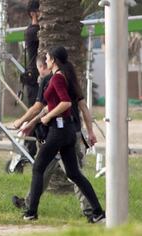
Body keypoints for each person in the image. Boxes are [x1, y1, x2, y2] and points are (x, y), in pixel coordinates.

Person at [22, 46, 105, 223]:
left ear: (53, 60)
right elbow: (71, 105)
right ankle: (98, 212)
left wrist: (47, 117)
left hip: (58, 131)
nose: (46, 61)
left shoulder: (57, 78)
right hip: (69, 132)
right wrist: (33, 121)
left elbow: (64, 103)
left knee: (38, 168)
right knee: (74, 174)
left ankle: (31, 212)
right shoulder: (68, 77)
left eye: (48, 58)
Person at [23, 0, 41, 158]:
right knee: (34, 115)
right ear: (33, 13)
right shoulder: (33, 31)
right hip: (34, 78)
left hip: (38, 78)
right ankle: (27, 151)